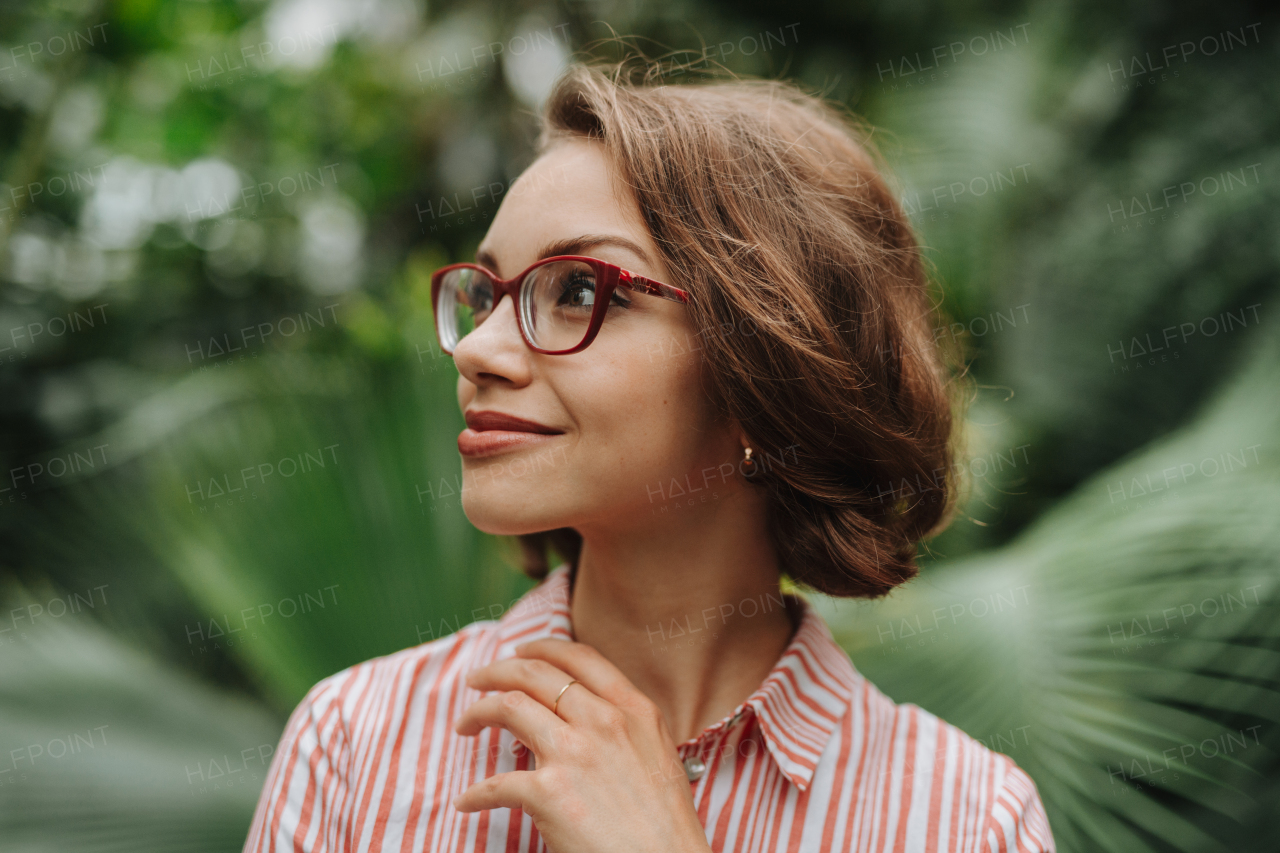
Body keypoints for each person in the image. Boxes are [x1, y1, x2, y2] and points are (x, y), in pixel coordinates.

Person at [243, 58, 1055, 853]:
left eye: (581, 291)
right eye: (486, 294)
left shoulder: (965, 818)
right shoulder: (355, 742)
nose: (479, 348)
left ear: (764, 368)